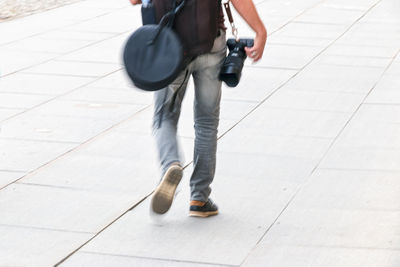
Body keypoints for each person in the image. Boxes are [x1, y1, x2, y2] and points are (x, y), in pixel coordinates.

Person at [129, 0, 266, 217]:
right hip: (211, 42)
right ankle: (199, 198)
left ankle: (171, 164)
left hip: (171, 45)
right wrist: (260, 31)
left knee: (164, 117)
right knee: (206, 122)